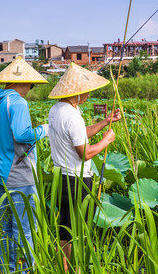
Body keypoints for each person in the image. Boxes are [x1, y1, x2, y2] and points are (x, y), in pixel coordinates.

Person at [0, 56, 49, 273]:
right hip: (18, 175)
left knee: (6, 228)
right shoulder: (18, 102)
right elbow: (23, 135)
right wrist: (44, 129)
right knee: (25, 229)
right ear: (24, 83)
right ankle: (24, 271)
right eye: (31, 85)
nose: (30, 89)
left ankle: (7, 270)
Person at [47, 62, 121, 272]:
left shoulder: (57, 109)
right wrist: (106, 141)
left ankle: (65, 269)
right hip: (76, 180)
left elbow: (78, 136)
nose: (89, 93)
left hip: (61, 177)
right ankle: (74, 269)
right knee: (77, 231)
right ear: (77, 92)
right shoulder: (72, 116)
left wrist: (105, 122)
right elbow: (85, 153)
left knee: (66, 230)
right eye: (86, 89)